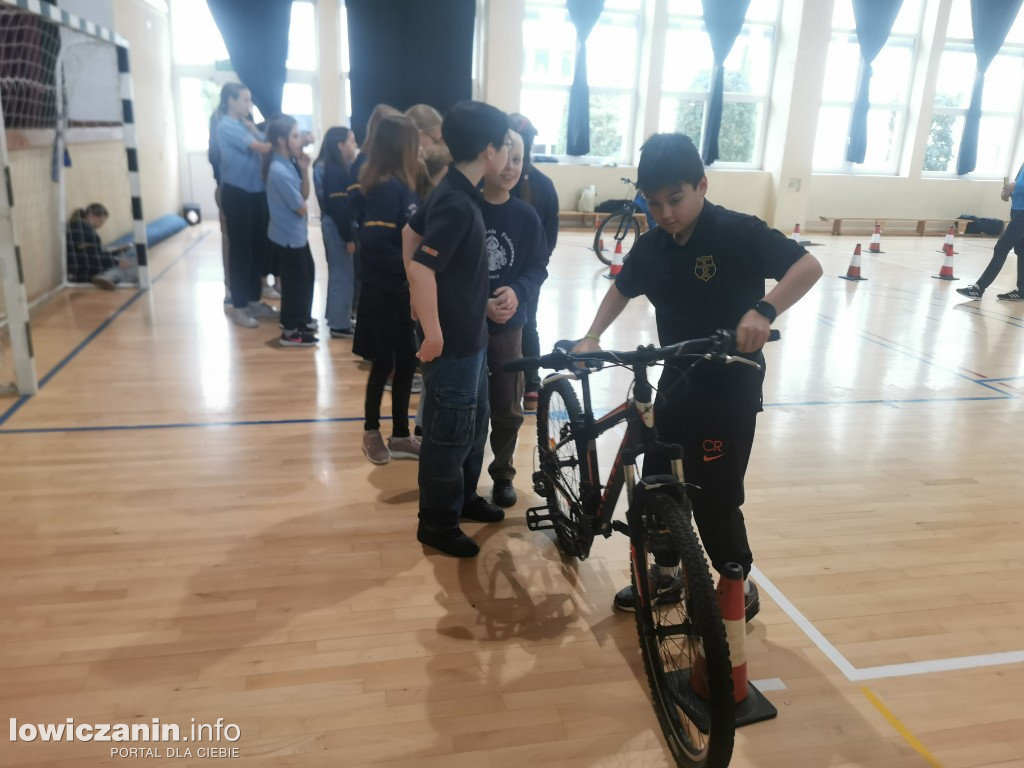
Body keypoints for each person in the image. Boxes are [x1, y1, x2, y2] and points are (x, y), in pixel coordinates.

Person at [571, 133, 823, 618]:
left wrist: (764, 310)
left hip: (730, 384)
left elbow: (807, 266)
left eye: (676, 199)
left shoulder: (737, 232)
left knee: (715, 496)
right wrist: (592, 336)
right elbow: (622, 287)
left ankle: (736, 584)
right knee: (658, 483)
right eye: (654, 202)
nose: (665, 213)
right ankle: (666, 575)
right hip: (678, 381)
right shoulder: (653, 246)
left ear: (702, 185)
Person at [403, 100, 511, 558]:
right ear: (489, 151)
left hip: (473, 337)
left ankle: (464, 498)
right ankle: (437, 522)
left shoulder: (456, 192)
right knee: (448, 434)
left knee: (473, 426)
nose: (507, 155)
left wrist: (469, 302)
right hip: (452, 346)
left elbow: (410, 233)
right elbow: (422, 268)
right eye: (505, 146)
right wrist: (431, 329)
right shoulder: (458, 204)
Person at [480, 127, 548, 508]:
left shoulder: (525, 216)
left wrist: (518, 290)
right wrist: (480, 302)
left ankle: (503, 474)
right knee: (472, 404)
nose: (512, 166)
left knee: (508, 403)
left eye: (519, 159)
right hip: (471, 324)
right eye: (506, 156)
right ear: (488, 157)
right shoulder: (467, 207)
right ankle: (463, 473)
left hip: (510, 325)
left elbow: (539, 266)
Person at [353, 115, 423, 464]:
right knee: (383, 364)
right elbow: (377, 244)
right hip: (382, 293)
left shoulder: (405, 185)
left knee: (407, 362)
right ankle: (370, 432)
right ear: (401, 147)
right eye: (416, 142)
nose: (421, 147)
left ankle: (399, 435)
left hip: (399, 293)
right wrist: (414, 269)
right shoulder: (385, 188)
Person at [216, 83, 278, 329]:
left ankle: (254, 301)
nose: (249, 104)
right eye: (244, 100)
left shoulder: (246, 125)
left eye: (250, 100)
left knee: (256, 249)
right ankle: (240, 306)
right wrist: (285, 140)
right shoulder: (227, 126)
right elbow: (263, 147)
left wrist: (258, 131)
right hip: (237, 194)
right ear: (230, 101)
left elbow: (262, 141)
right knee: (240, 252)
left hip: (255, 193)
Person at [509, 113, 559, 410]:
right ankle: (531, 386)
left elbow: (548, 240)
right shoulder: (545, 184)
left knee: (516, 327)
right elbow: (549, 241)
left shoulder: (500, 182)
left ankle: (524, 386)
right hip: (528, 275)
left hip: (510, 275)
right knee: (528, 324)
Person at [264, 115, 317, 347]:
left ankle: (301, 319)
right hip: (288, 237)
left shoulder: (290, 164)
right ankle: (290, 330)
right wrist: (302, 206)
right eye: (294, 136)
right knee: (295, 283)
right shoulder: (279, 170)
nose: (299, 140)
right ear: (281, 141)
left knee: (307, 275)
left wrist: (305, 170)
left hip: (295, 236)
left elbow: (303, 196)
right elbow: (301, 208)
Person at [313, 126, 359, 338]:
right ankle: (339, 325)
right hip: (337, 227)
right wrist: (348, 237)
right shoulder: (334, 170)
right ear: (340, 146)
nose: (355, 145)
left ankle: (338, 317)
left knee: (340, 274)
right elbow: (339, 208)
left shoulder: (334, 167)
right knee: (343, 275)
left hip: (334, 226)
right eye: (351, 141)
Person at [956, 165, 1024, 302]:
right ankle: (1022, 291)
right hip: (1017, 211)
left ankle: (979, 288)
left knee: (1001, 247)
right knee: (1021, 251)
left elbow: (1019, 185)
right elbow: (1017, 187)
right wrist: (1007, 193)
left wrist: (1014, 185)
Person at [65, 203, 138, 289]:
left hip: (79, 270)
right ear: (91, 216)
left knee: (122, 258)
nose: (101, 225)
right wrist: (116, 262)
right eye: (101, 222)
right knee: (133, 268)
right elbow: (92, 259)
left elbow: (92, 254)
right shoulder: (88, 233)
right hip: (85, 274)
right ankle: (108, 277)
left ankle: (108, 276)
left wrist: (114, 253)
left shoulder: (75, 227)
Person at [208, 105, 231, 306]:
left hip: (245, 193)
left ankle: (250, 289)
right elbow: (214, 157)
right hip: (228, 191)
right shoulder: (222, 125)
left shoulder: (244, 122)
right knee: (230, 242)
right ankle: (231, 289)